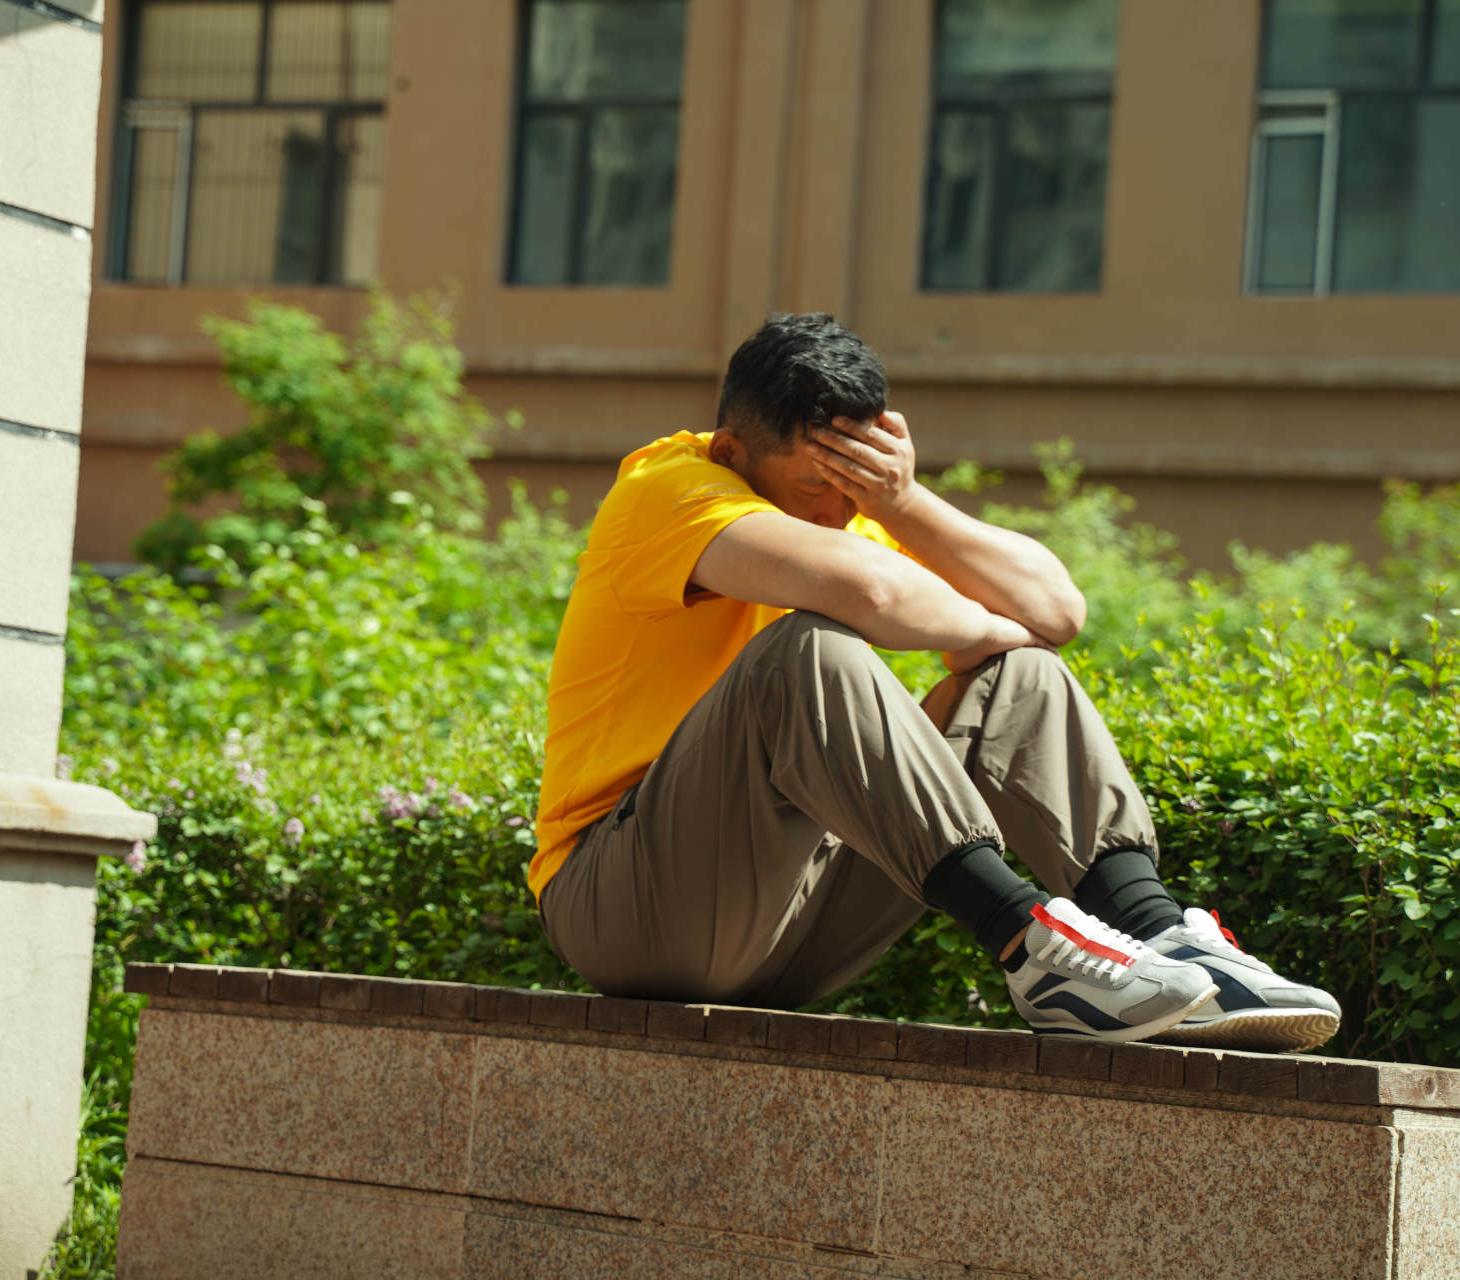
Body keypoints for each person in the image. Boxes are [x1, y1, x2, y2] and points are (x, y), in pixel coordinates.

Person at [531, 312, 1340, 1051]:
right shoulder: (667, 489)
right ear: (736, 449)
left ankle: (1163, 937)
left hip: (790, 930)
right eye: (819, 483)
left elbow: (1056, 607)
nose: (839, 509)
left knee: (1019, 674)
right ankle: (1032, 944)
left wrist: (907, 500)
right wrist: (988, 623)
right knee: (807, 653)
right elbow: (872, 593)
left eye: (856, 483)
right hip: (622, 901)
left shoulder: (848, 510)